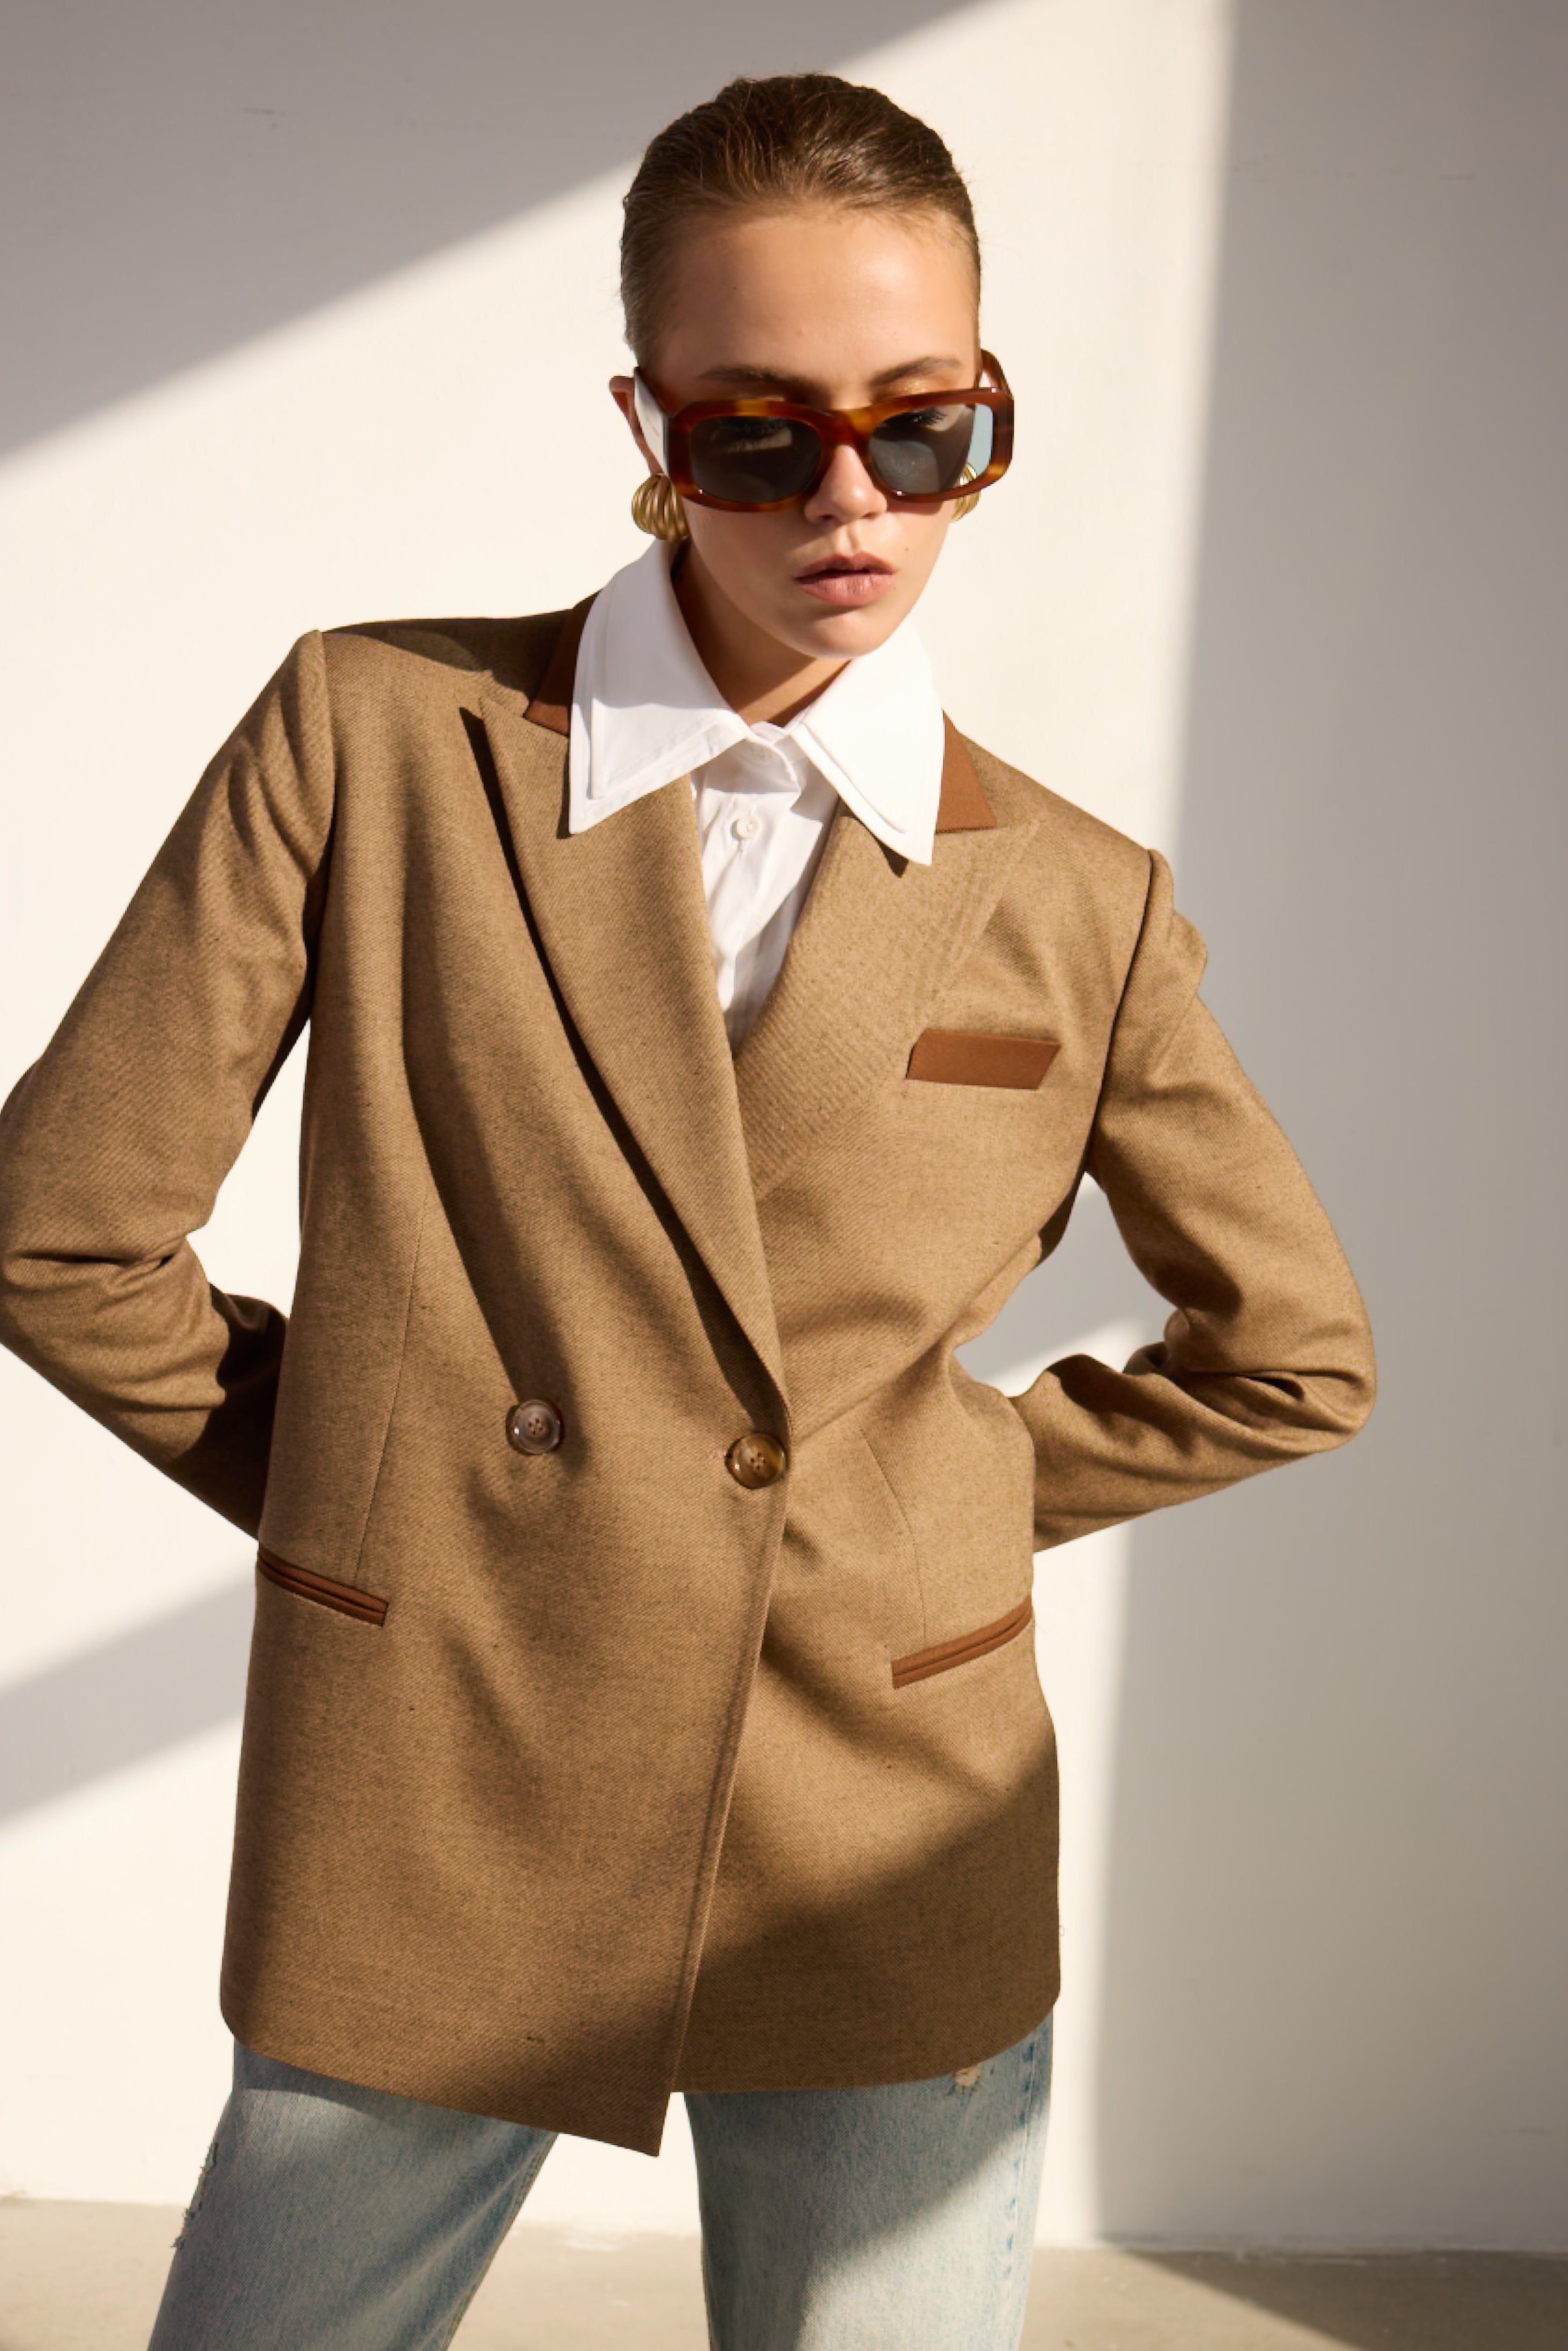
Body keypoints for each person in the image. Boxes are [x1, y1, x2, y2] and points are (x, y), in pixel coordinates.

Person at [0, 70, 1376, 2351]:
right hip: (441, 1758)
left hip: (887, 1801)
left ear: (987, 414)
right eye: (757, 434)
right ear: (645, 425)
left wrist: (920, 1509)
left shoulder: (1073, 898)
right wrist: (397, 1501)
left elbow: (1291, 1358)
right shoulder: (373, 735)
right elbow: (57, 1231)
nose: (849, 499)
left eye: (920, 428)